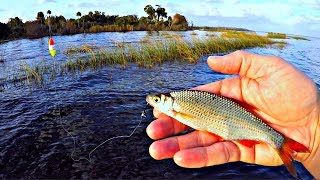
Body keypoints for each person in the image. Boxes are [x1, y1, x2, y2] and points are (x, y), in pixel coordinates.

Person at [146, 50, 320, 178]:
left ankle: (285, 143)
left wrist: (315, 139)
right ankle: (307, 147)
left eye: (158, 100)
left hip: (233, 118)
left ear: (169, 101)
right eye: (156, 100)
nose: (155, 101)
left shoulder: (178, 101)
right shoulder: (179, 101)